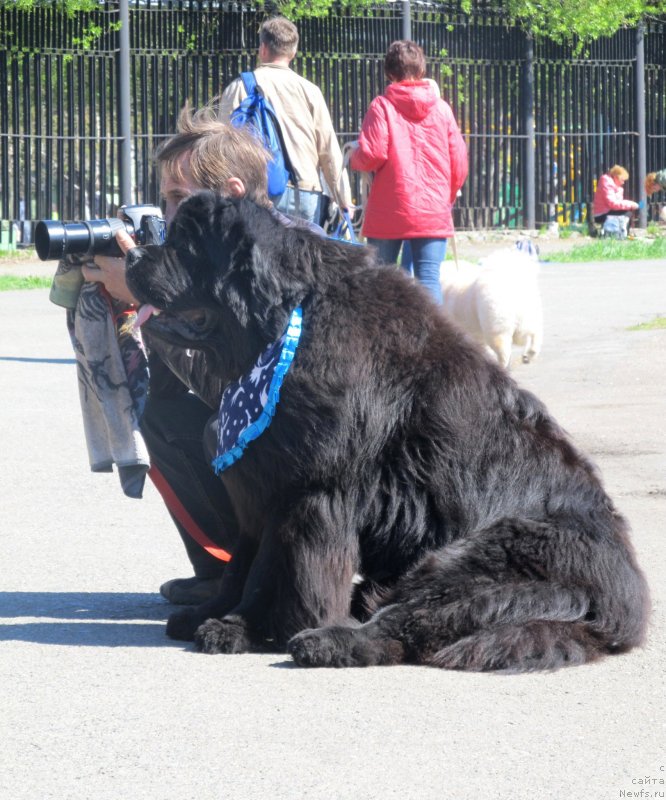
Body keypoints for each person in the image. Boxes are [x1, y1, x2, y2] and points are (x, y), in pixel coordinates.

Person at [82, 104, 319, 605]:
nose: (167, 217)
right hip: (291, 449)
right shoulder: (218, 256)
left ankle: (266, 573)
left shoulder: (281, 257)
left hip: (320, 467)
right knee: (157, 410)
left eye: (178, 201)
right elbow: (171, 387)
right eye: (163, 201)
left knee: (221, 429)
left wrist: (153, 297)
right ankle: (222, 568)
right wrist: (136, 309)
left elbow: (243, 393)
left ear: (229, 194)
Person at [348, 40, 468, 304]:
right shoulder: (442, 109)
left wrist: (354, 158)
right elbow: (459, 161)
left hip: (391, 207)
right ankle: (430, 342)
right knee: (428, 279)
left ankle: (383, 340)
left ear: (389, 73)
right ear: (422, 69)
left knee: (381, 280)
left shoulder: (382, 106)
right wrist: (444, 197)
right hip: (433, 208)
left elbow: (372, 154)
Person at [214, 16, 353, 226]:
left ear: (262, 48)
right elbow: (329, 150)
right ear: (293, 52)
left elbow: (221, 147)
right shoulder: (310, 91)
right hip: (305, 191)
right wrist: (343, 199)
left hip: (257, 193)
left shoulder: (239, 88)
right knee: (303, 258)